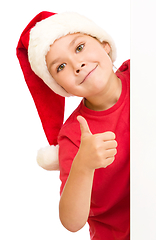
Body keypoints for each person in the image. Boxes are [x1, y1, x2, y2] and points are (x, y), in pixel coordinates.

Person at [16, 11, 130, 240]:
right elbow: (72, 221)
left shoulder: (144, 74)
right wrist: (83, 165)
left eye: (79, 48)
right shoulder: (73, 135)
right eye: (61, 67)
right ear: (61, 88)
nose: (77, 65)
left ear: (105, 45)